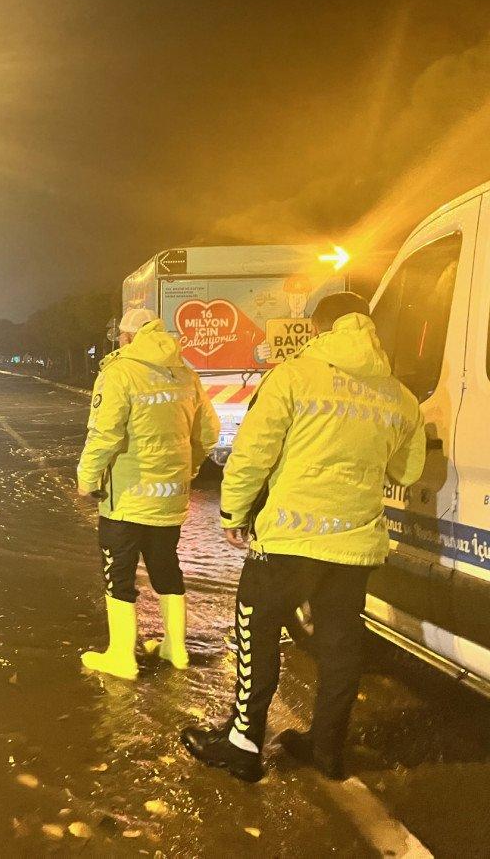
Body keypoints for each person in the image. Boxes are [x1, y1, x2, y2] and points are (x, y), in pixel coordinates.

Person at [181, 293, 426, 783]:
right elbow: (408, 468)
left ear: (318, 331)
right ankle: (327, 749)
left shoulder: (293, 377)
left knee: (258, 633)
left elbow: (253, 453)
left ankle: (243, 745)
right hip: (353, 546)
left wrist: (234, 510)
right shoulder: (399, 396)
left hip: (288, 544)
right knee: (340, 646)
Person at [77, 308, 220, 680]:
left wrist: (86, 478)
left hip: (126, 499)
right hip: (169, 497)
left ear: (126, 337)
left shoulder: (119, 372)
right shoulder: (186, 374)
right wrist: (189, 468)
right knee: (166, 567)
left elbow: (105, 434)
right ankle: (177, 648)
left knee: (119, 574)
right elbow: (208, 433)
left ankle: (122, 656)